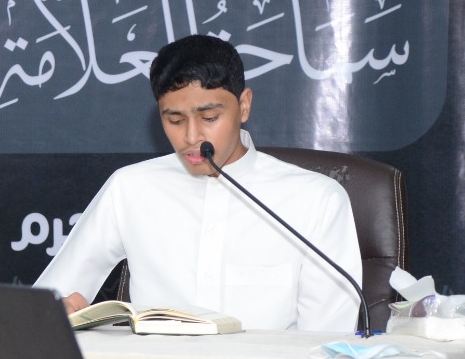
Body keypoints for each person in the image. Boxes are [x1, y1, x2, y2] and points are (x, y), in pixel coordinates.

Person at [35, 34, 361, 331]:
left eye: (209, 118)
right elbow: (49, 301)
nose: (192, 137)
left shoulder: (317, 200)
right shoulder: (130, 188)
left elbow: (326, 343)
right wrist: (62, 309)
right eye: (175, 120)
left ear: (244, 105)